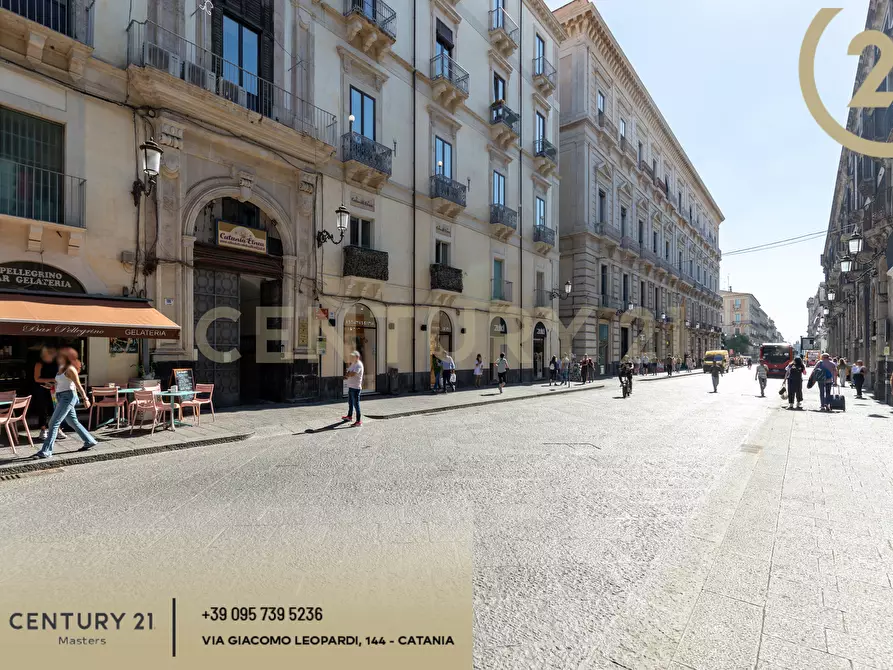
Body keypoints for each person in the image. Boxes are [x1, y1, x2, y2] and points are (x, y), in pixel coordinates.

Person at [34, 347, 96, 459]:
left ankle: (46, 451)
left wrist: (85, 398)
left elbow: (78, 385)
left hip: (68, 397)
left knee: (53, 423)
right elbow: (61, 383)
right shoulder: (61, 368)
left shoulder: (70, 369)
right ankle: (89, 440)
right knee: (73, 421)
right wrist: (52, 386)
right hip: (60, 396)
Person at [31, 345, 67, 442]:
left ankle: (58, 430)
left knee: (56, 409)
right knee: (43, 410)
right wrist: (52, 380)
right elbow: (36, 378)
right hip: (42, 389)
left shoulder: (57, 363)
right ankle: (43, 430)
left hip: (54, 389)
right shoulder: (39, 364)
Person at [342, 351, 364, 426]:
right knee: (350, 403)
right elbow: (348, 372)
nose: (351, 358)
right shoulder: (353, 363)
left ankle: (358, 421)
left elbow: (352, 374)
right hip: (351, 386)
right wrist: (348, 373)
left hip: (356, 388)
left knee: (356, 404)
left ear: (357, 357)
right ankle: (349, 416)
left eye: (353, 357)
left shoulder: (358, 365)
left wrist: (349, 373)